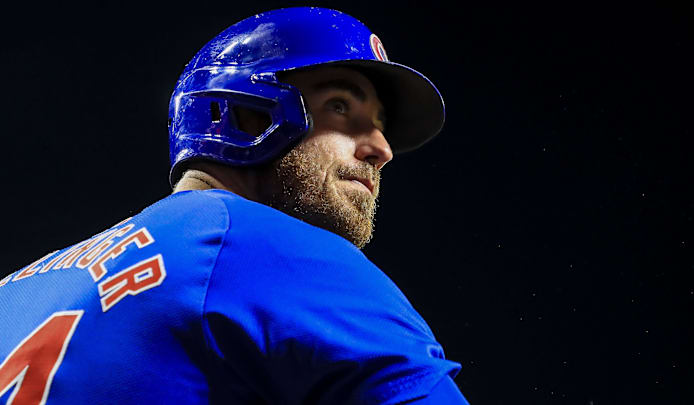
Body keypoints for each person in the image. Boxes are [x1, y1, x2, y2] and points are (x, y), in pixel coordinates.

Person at [0, 7, 468, 404]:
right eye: (341, 106)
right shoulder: (277, 252)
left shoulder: (16, 291)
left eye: (380, 124)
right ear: (244, 112)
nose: (381, 148)